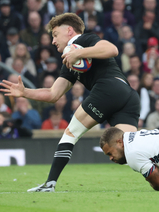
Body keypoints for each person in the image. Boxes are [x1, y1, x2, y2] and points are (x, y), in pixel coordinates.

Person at [0, 13, 140, 192]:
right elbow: (53, 94)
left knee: (71, 134)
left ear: (69, 30)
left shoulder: (85, 39)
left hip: (108, 89)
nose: (52, 41)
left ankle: (50, 184)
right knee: (127, 149)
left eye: (55, 34)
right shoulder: (69, 61)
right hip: (128, 97)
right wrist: (25, 92)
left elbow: (113, 49)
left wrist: (78, 52)